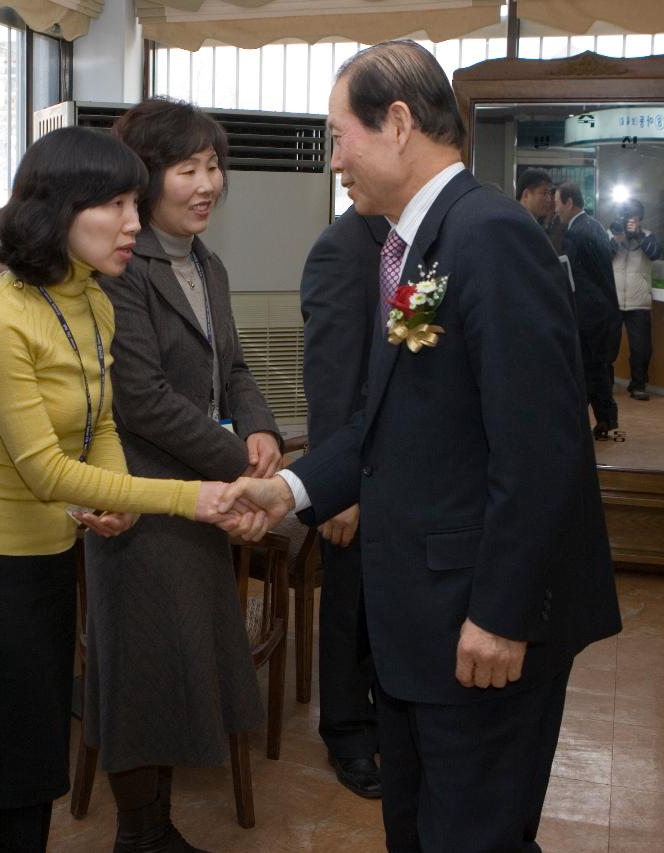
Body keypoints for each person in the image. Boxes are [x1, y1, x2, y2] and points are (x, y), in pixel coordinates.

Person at [226, 40, 621, 852]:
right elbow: (384, 419)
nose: (333, 159)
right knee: (418, 829)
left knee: (474, 834)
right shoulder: (418, 244)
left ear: (398, 122)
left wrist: (501, 615)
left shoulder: (490, 237)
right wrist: (293, 491)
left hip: (481, 629)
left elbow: (542, 450)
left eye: (341, 136)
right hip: (421, 628)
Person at [0, 126, 252, 853]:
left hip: (53, 547)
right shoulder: (0, 318)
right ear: (58, 210)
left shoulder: (92, 300)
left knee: (44, 744)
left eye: (134, 205)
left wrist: (111, 495)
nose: (134, 224)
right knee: (18, 763)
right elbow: (44, 468)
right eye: (115, 205)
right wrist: (183, 496)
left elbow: (103, 423)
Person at [72, 97, 279, 852]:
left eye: (214, 165)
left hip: (203, 502)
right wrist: (242, 470)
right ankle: (141, 831)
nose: (207, 183)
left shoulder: (209, 264)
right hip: (140, 501)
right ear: (146, 177)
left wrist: (258, 429)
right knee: (141, 674)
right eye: (187, 168)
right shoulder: (121, 270)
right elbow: (144, 400)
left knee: (176, 664)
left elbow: (237, 367)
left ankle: (156, 826)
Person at [298, 205, 390, 799]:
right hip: (355, 472)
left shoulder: (415, 240)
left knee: (383, 607)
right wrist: (337, 490)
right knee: (349, 607)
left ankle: (383, 717)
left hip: (403, 473)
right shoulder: (343, 248)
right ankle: (347, 732)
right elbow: (331, 384)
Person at [555, 181, 621, 438]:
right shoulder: (594, 227)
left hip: (588, 315)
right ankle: (605, 419)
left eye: (559, 203)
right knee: (599, 368)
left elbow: (574, 276)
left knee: (588, 369)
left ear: (570, 203)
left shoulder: (576, 233)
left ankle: (584, 421)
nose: (557, 210)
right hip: (604, 311)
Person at [609, 198, 661, 400]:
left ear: (639, 219)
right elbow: (602, 257)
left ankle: (638, 385)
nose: (626, 220)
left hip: (638, 301)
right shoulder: (612, 234)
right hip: (613, 300)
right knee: (607, 346)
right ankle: (606, 382)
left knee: (641, 349)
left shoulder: (648, 237)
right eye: (623, 216)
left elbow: (655, 254)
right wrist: (617, 240)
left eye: (631, 217)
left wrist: (638, 235)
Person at [515, 168, 563, 253]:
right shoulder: (516, 224)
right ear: (526, 195)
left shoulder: (533, 222)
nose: (549, 199)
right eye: (544, 193)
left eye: (549, 193)